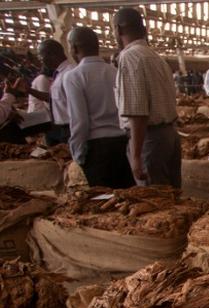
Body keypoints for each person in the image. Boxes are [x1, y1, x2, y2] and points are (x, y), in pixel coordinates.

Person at [113, 7, 180, 187]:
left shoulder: (129, 57)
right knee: (172, 196)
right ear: (144, 30)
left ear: (118, 30)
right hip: (169, 135)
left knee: (156, 200)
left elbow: (137, 111)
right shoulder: (156, 57)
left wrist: (136, 156)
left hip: (150, 139)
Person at [63, 27, 134, 189]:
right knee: (125, 197)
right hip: (123, 143)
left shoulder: (74, 77)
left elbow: (79, 121)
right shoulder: (115, 72)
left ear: (74, 48)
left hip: (97, 148)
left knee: (103, 202)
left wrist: (78, 155)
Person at [27, 40, 74, 146]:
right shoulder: (60, 74)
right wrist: (28, 90)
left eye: (40, 55)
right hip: (61, 127)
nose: (39, 59)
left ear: (51, 54)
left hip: (70, 127)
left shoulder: (69, 74)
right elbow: (52, 98)